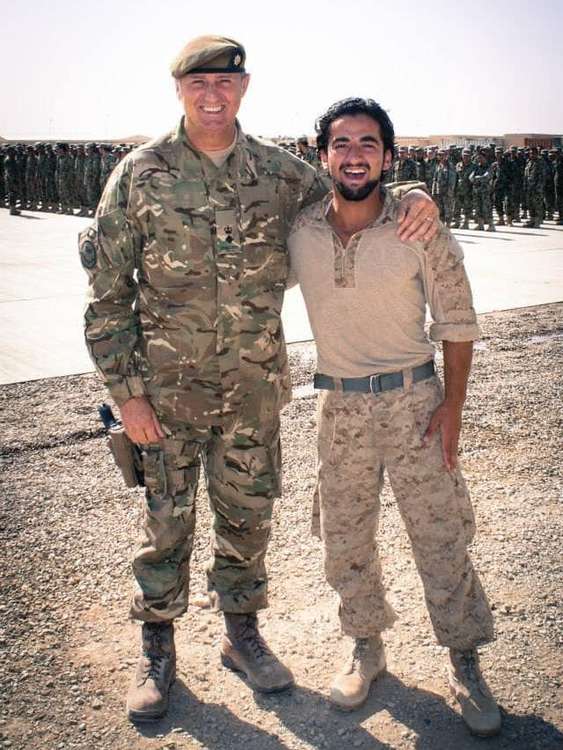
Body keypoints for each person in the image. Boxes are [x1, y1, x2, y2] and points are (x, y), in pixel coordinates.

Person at [80, 36, 438, 723]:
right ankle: (157, 647)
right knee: (164, 524)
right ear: (177, 89)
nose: (212, 95)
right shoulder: (140, 173)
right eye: (198, 83)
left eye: (224, 82)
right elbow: (106, 295)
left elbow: (356, 196)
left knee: (247, 520)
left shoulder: (281, 176)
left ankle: (241, 633)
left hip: (251, 392)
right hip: (164, 396)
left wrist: (414, 191)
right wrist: (126, 395)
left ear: (243, 87)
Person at [287, 97, 501, 737]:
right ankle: (366, 647)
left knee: (440, 534)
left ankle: (465, 661)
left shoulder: (419, 228)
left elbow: (458, 323)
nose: (355, 156)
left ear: (387, 154)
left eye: (368, 144)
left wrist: (453, 409)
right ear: (322, 154)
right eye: (343, 144)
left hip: (415, 404)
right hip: (339, 404)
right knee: (345, 535)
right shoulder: (299, 230)